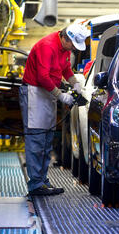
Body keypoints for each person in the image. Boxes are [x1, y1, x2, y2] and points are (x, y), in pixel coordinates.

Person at [19, 23, 89, 196]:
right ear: (65, 38)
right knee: (36, 139)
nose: (73, 49)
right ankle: (36, 184)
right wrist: (61, 95)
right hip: (35, 93)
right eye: (72, 45)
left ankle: (42, 180)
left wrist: (76, 84)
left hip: (47, 94)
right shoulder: (47, 46)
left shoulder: (64, 49)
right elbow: (42, 77)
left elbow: (65, 68)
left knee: (46, 138)